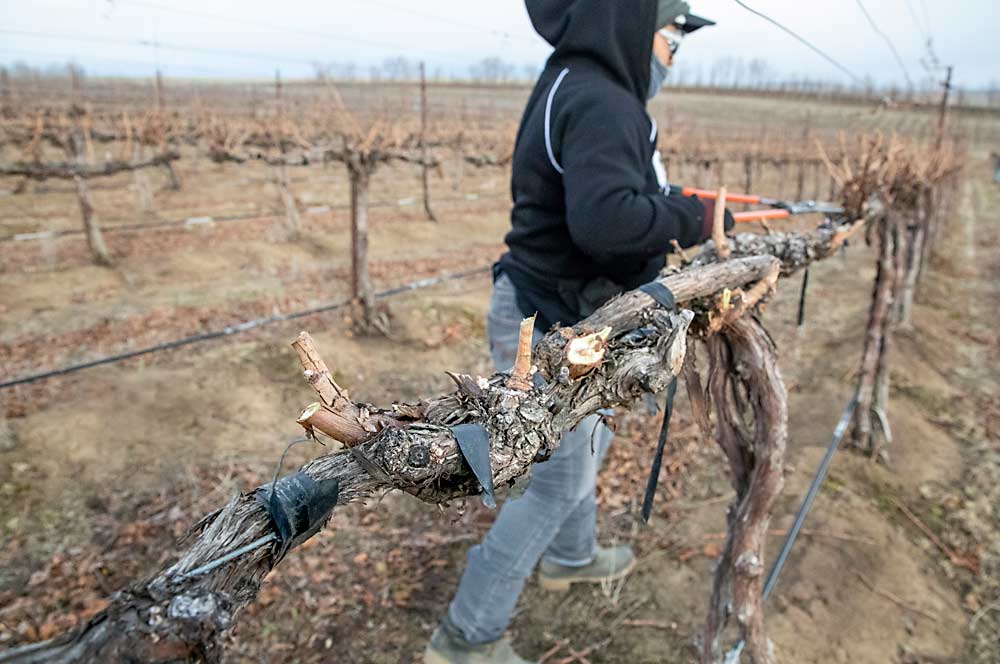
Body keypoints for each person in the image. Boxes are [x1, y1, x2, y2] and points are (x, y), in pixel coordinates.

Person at [425, 2, 730, 662]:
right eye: (671, 38)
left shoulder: (575, 81)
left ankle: (572, 556)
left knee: (585, 440)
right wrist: (688, 214)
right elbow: (608, 224)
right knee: (558, 480)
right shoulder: (603, 101)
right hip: (549, 319)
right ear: (632, 22)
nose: (672, 56)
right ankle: (466, 639)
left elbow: (604, 204)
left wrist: (665, 205)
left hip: (562, 311)